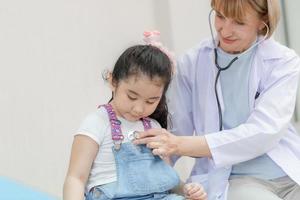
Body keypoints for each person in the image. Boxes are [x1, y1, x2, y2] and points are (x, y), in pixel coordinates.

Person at [133, 1, 300, 200]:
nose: (225, 30)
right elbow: (175, 132)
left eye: (238, 22)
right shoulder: (193, 62)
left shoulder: (283, 61)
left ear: (262, 20)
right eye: (220, 16)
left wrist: (179, 144)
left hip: (288, 172)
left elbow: (265, 131)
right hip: (237, 180)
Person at [63, 31, 207, 200]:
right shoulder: (97, 123)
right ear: (113, 81)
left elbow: (166, 179)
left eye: (151, 101)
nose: (139, 109)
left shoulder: (154, 128)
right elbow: (76, 178)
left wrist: (187, 191)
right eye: (132, 96)